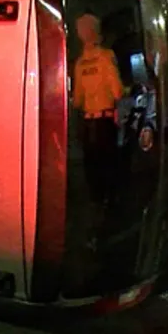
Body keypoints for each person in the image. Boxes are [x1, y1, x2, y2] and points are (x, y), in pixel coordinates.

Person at [71, 14, 124, 207]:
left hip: (88, 123)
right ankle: (111, 203)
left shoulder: (80, 63)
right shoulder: (106, 57)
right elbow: (117, 92)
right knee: (109, 164)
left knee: (91, 167)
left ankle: (96, 202)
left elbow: (77, 100)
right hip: (105, 122)